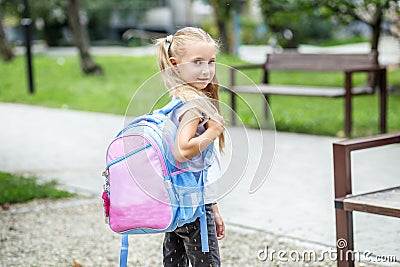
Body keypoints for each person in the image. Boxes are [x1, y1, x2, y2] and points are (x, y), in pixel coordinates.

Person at [156, 27, 225, 267]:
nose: (206, 70)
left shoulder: (177, 100)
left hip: (177, 201)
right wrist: (215, 130)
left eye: (211, 62)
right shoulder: (192, 105)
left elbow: (197, 167)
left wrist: (213, 206)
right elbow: (183, 151)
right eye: (197, 62)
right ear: (175, 64)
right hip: (194, 207)